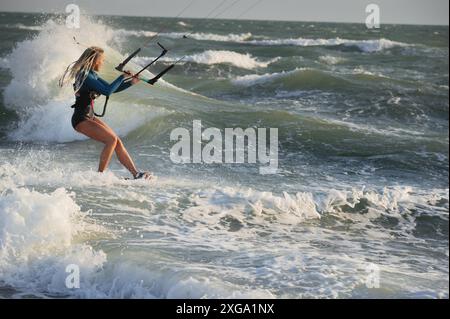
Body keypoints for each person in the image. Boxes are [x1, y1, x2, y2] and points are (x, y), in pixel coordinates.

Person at [60, 46, 152, 180]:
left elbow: (110, 88)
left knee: (117, 141)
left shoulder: (91, 74)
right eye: (101, 60)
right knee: (111, 140)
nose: (102, 63)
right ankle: (100, 176)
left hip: (89, 117)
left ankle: (136, 174)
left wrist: (131, 82)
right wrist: (122, 77)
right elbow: (107, 91)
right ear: (95, 61)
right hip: (81, 119)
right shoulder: (85, 76)